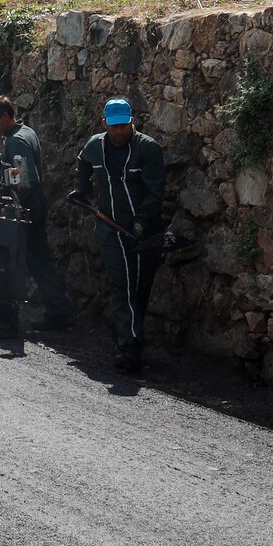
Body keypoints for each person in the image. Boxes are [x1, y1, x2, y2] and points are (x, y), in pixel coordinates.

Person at [72, 97, 166, 372]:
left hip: (143, 232)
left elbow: (155, 192)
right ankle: (127, 346)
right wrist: (80, 187)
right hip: (109, 229)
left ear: (132, 122)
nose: (119, 131)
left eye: (124, 126)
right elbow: (82, 162)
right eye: (114, 127)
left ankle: (133, 340)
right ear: (104, 123)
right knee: (122, 286)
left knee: (139, 289)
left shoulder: (148, 149)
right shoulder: (95, 145)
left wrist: (139, 223)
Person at [0, 95, 73, 331]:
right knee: (38, 258)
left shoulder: (17, 141)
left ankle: (58, 312)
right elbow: (20, 166)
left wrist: (5, 178)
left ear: (6, 116)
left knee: (37, 261)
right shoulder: (24, 132)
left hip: (27, 207)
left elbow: (24, 180)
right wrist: (0, 160)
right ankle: (58, 309)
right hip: (33, 204)